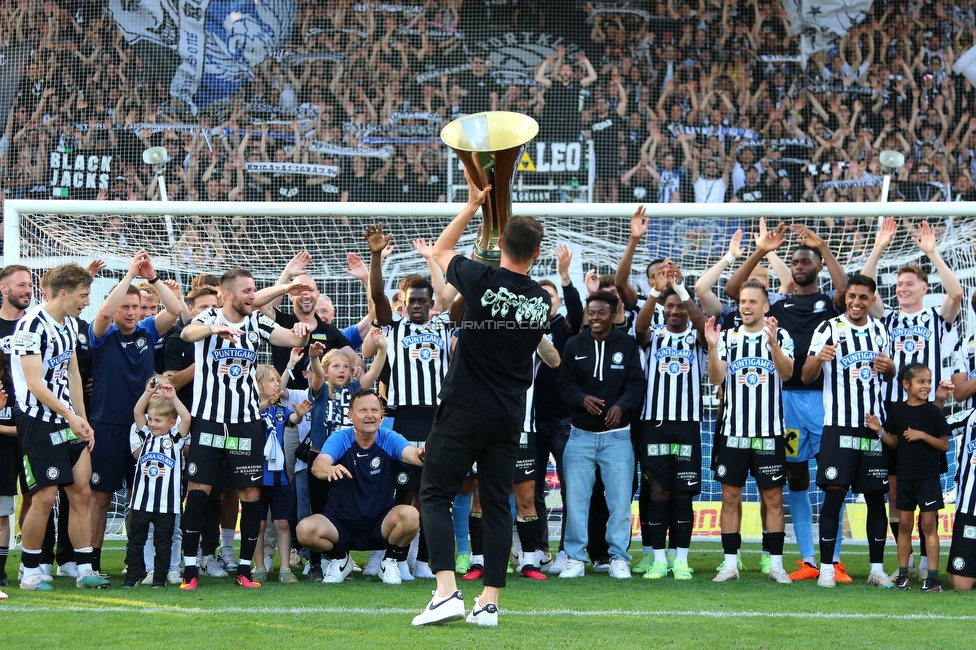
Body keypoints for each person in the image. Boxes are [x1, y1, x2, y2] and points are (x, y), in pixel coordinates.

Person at [413, 170, 550, 627]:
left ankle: (447, 592)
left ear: (500, 245)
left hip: (466, 405)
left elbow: (440, 251)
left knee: (434, 493)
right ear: (535, 253)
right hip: (510, 413)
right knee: (496, 502)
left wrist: (474, 206)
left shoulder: (481, 280)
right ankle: (489, 602)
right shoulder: (541, 302)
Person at [725, 222, 850, 581]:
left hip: (824, 399)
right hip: (785, 401)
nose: (798, 265)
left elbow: (845, 290)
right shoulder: (778, 304)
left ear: (818, 266)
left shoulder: (830, 304)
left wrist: (823, 246)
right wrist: (762, 251)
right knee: (795, 474)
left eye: (805, 260)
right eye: (794, 260)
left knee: (832, 476)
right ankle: (809, 560)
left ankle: (835, 558)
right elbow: (736, 290)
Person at [176, 268, 312, 590]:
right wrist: (213, 329)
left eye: (255, 291)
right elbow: (186, 335)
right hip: (208, 421)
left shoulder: (257, 321)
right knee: (198, 495)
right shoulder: (207, 316)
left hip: (245, 423)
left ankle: (245, 570)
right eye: (247, 291)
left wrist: (303, 332)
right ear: (227, 295)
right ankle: (190, 573)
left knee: (250, 495)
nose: (253, 297)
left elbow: (292, 338)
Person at [861, 218, 963, 578]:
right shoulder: (886, 318)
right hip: (893, 411)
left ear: (922, 288)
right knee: (895, 490)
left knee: (926, 492)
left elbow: (956, 294)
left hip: (928, 413)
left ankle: (924, 563)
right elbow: (865, 288)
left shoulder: (937, 317)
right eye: (899, 284)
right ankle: (903, 564)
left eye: (908, 284)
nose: (902, 288)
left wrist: (932, 253)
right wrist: (878, 248)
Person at [11, 263, 109, 590]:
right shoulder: (30, 326)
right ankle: (30, 570)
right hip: (38, 420)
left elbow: (73, 375)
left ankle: (83, 569)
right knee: (45, 495)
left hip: (69, 420)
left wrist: (83, 420)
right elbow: (34, 383)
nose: (86, 301)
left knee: (81, 491)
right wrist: (70, 416)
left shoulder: (71, 325)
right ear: (63, 293)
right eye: (83, 295)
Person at [367, 225, 456, 580]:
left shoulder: (445, 326)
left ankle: (419, 560)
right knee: (404, 492)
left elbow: (458, 295)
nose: (418, 305)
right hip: (403, 420)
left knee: (432, 493)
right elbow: (376, 295)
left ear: (430, 301)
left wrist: (482, 255)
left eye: (423, 300)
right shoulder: (393, 327)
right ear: (402, 302)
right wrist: (376, 257)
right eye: (411, 300)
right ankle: (394, 558)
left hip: (438, 419)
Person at [88, 249, 182, 574]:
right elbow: (102, 314)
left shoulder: (147, 331)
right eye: (125, 307)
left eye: (135, 307)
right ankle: (92, 566)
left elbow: (176, 308)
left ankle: (138, 565)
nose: (130, 313)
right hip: (106, 427)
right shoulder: (100, 335)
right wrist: (129, 275)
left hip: (144, 428)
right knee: (100, 499)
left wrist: (151, 277)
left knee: (141, 500)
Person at [802, 273, 895, 589]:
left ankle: (877, 570)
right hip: (838, 428)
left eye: (863, 297)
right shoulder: (828, 328)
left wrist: (890, 368)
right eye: (851, 296)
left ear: (872, 299)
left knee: (875, 499)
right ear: (845, 298)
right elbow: (805, 375)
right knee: (834, 496)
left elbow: (891, 370)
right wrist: (819, 358)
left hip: (872, 430)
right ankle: (827, 568)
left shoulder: (881, 331)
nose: (856, 302)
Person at [706, 281, 794, 585]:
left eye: (753, 302)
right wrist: (712, 346)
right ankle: (730, 563)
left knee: (773, 500)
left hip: (769, 433)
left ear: (765, 306)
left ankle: (776, 565)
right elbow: (716, 377)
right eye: (743, 301)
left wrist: (773, 345)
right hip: (733, 433)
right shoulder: (728, 337)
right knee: (730, 497)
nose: (746, 306)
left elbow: (787, 373)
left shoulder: (780, 335)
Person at [557, 289, 645, 581]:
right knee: (576, 502)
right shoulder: (574, 344)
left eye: (601, 312)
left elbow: (636, 384)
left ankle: (619, 557)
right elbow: (565, 383)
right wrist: (581, 399)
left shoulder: (628, 344)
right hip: (580, 436)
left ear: (613, 313)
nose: (595, 317)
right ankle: (575, 558)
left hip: (618, 437)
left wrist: (622, 406)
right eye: (591, 312)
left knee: (619, 503)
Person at [296, 388, 424, 586]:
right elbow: (317, 465)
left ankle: (388, 561)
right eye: (363, 410)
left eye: (374, 410)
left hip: (380, 524)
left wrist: (421, 455)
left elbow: (412, 454)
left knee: (411, 516)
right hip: (340, 524)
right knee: (304, 530)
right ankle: (340, 560)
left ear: (381, 415)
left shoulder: (389, 438)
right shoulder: (340, 438)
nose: (370, 415)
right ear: (350, 416)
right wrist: (329, 469)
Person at [633, 261, 706, 580]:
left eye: (681, 307)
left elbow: (704, 327)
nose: (676, 311)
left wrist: (680, 288)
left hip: (688, 427)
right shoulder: (654, 337)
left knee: (683, 495)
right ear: (663, 309)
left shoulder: (699, 339)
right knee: (658, 493)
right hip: (655, 425)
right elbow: (638, 328)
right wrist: (657, 290)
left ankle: (682, 560)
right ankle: (659, 559)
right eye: (670, 306)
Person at [866, 363, 950, 593]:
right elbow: (895, 443)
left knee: (928, 525)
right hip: (904, 477)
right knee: (904, 524)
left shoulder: (933, 412)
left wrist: (922, 435)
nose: (927, 386)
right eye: (921, 382)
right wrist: (879, 430)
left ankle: (932, 579)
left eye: (929, 382)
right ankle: (903, 574)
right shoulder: (897, 411)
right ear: (906, 384)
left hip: (928, 478)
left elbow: (944, 444)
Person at [122, 378, 190, 588]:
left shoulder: (176, 440)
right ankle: (132, 577)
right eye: (150, 419)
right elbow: (136, 412)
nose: (152, 423)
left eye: (157, 420)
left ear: (171, 423)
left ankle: (159, 579)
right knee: (136, 542)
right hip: (141, 503)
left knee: (163, 544)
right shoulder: (145, 436)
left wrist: (173, 397)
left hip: (166, 506)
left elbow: (186, 418)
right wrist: (148, 394)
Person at [252, 365, 311, 585]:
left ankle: (285, 568)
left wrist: (299, 414)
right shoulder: (251, 407)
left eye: (278, 381)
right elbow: (251, 414)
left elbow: (291, 420)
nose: (277, 385)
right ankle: (258, 567)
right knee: (258, 524)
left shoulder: (279, 408)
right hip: (256, 477)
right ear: (259, 385)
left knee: (282, 523)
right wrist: (265, 403)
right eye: (272, 381)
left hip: (279, 478)